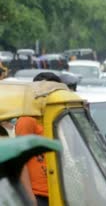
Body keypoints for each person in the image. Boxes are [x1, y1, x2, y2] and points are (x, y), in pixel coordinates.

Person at [16, 72, 63, 206]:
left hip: (57, 191)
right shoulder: (28, 120)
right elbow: (21, 161)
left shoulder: (56, 119)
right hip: (38, 195)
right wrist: (30, 197)